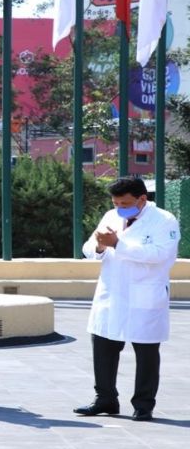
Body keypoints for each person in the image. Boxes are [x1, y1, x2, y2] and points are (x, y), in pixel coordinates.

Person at [74, 177, 179, 422]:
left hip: (146, 293)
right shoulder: (111, 216)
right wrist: (99, 247)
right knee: (103, 346)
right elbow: (90, 247)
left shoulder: (164, 220)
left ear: (142, 199)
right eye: (116, 202)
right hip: (112, 292)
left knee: (146, 352)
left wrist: (118, 244)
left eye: (125, 203)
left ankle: (143, 404)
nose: (120, 207)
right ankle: (105, 399)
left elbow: (161, 254)